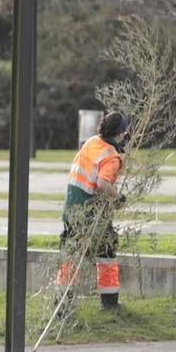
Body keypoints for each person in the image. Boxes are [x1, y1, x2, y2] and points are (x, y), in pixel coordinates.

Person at [57, 110, 127, 310]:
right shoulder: (111, 157)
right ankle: (110, 302)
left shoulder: (91, 142)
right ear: (121, 133)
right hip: (90, 211)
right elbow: (102, 184)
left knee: (72, 252)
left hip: (71, 206)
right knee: (106, 250)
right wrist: (118, 197)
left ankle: (62, 301)